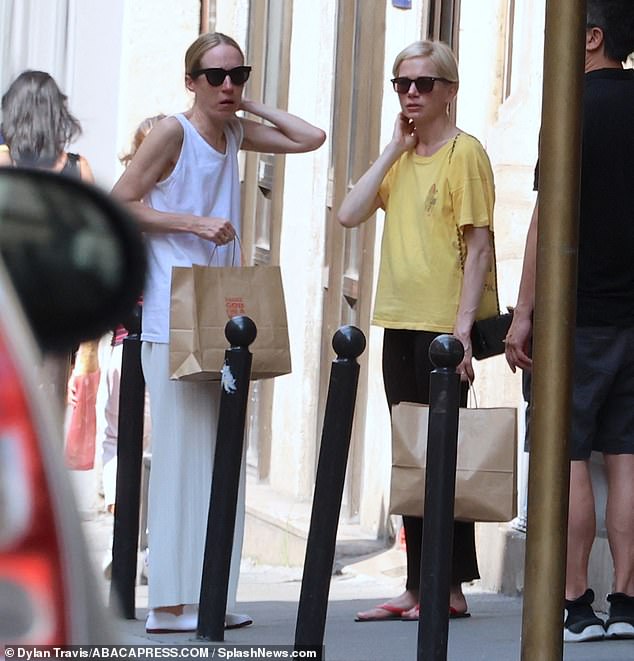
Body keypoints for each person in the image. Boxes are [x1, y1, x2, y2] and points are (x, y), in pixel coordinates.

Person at [111, 32, 325, 634]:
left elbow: (311, 138)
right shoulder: (173, 133)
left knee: (219, 460)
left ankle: (211, 594)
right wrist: (194, 223)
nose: (228, 85)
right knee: (181, 458)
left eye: (239, 74)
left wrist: (249, 107)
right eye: (215, 76)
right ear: (191, 81)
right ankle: (168, 604)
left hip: (217, 320)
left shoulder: (232, 129)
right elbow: (121, 200)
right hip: (170, 318)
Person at [338, 40, 498, 622]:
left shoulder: (466, 155)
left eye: (423, 84)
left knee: (443, 459)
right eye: (402, 83)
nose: (410, 93)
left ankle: (449, 588)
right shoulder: (402, 157)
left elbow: (478, 248)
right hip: (397, 321)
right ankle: (415, 584)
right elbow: (348, 212)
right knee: (412, 458)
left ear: (450, 92)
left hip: (440, 332)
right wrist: (390, 149)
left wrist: (459, 337)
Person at [505, 0, 634, 642]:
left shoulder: (570, 107)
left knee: (570, 455)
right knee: (630, 457)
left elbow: (544, 221)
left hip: (576, 315)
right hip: (632, 315)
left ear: (592, 36)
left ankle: (576, 603)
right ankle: (630, 601)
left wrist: (523, 313)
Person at [1, 71, 95, 413]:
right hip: (56, 310)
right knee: (47, 414)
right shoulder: (76, 168)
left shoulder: (3, 162)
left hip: (8, 306)